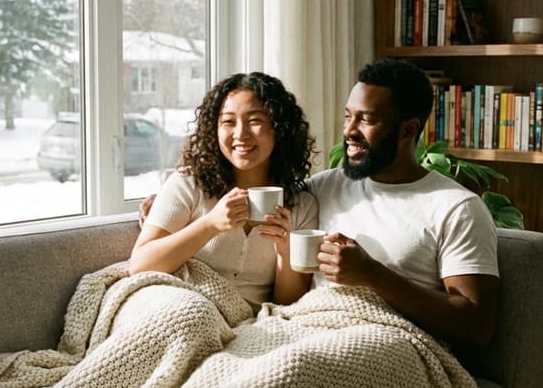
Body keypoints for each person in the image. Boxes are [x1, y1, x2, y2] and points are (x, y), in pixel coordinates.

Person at [311, 58, 499, 348]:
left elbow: (477, 326)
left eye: (366, 120)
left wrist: (372, 274)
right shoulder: (324, 186)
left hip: (394, 347)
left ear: (408, 130)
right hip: (311, 328)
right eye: (348, 116)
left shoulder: (456, 207)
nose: (349, 131)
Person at [129, 71, 318, 311]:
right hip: (183, 307)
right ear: (214, 129)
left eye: (254, 121)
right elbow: (140, 265)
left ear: (279, 128)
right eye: (228, 122)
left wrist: (285, 251)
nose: (240, 134)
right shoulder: (189, 184)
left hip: (249, 323)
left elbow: (288, 306)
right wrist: (210, 224)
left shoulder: (302, 205)